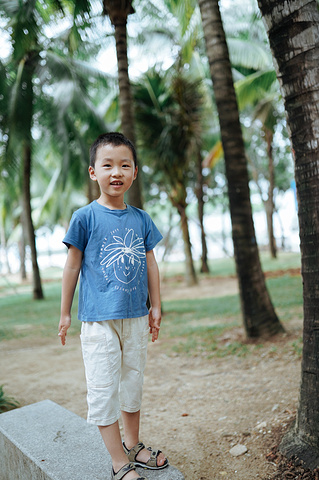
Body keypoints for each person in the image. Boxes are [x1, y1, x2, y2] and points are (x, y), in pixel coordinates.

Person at [58, 132, 168, 480]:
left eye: (124, 165)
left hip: (136, 317)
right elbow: (72, 266)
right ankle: (118, 460)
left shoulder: (141, 218)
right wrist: (64, 312)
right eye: (107, 165)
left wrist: (156, 306)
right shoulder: (84, 217)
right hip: (99, 321)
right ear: (94, 172)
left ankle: (134, 445)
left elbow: (151, 263)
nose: (116, 172)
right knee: (104, 389)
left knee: (132, 383)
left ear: (135, 172)